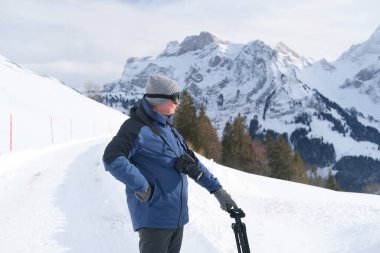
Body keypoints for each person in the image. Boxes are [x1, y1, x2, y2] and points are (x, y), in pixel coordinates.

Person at [103, 75, 237, 253]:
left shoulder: (170, 130)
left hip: (176, 218)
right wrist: (142, 186)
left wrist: (218, 190)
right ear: (159, 100)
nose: (179, 102)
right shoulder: (135, 128)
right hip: (154, 219)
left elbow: (192, 163)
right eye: (175, 98)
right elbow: (112, 158)